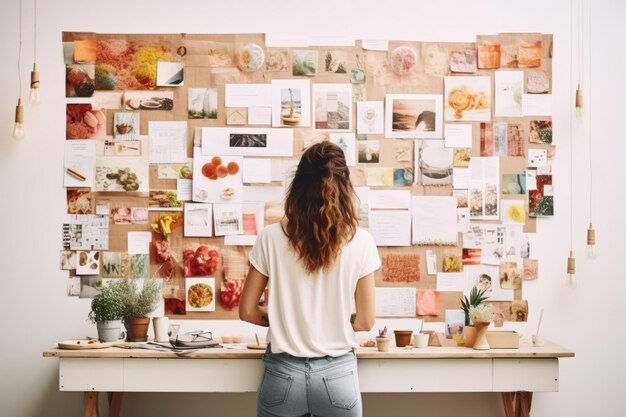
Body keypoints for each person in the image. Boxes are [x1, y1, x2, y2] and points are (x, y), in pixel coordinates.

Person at [240, 141, 380, 417]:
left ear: (298, 186)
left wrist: (280, 317)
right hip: (337, 376)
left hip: (282, 375)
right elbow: (365, 321)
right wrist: (336, 319)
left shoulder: (270, 237)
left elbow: (247, 311)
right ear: (345, 187)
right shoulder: (361, 241)